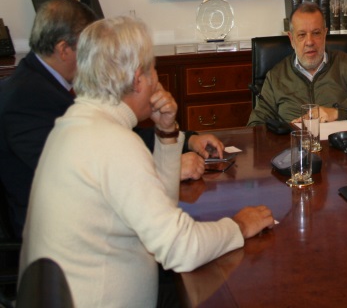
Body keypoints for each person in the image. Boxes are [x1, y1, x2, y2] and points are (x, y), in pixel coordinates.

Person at [19, 16, 274, 306]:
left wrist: (166, 133)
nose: (158, 80)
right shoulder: (113, 142)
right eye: (154, 69)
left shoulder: (74, 126)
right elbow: (182, 249)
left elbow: (162, 206)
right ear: (138, 78)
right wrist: (238, 225)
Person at [0, 0, 223, 239]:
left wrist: (184, 139)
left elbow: (111, 139)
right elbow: (85, 177)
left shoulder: (38, 83)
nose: (97, 58)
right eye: (89, 49)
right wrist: (164, 171)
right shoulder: (27, 98)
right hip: (55, 234)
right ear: (64, 49)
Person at [247, 2, 347, 125]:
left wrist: (336, 112)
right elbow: (256, 124)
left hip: (338, 149)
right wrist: (284, 132)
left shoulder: (346, 65)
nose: (310, 42)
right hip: (293, 150)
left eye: (316, 33)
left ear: (325, 34)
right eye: (302, 35)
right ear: (291, 39)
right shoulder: (276, 76)